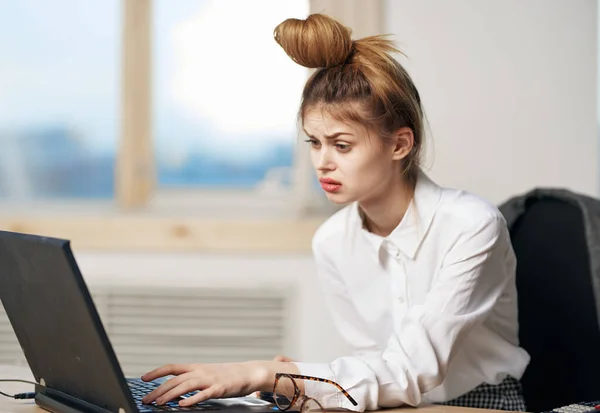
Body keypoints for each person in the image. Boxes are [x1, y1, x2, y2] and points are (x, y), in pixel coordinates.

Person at [140, 13, 530, 412]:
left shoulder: (470, 226)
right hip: (393, 403)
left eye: (341, 145)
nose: (322, 162)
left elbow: (412, 370)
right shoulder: (332, 241)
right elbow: (375, 368)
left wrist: (267, 374)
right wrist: (297, 382)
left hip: (483, 403)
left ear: (399, 144)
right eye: (314, 142)